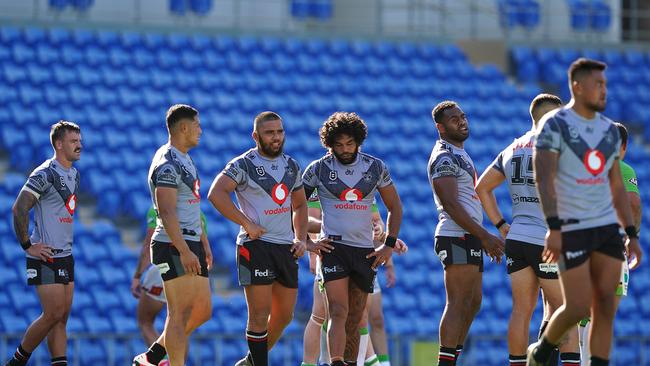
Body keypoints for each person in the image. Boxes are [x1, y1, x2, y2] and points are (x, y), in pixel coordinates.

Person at [527, 58, 643, 366]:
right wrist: (553, 227)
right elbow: (544, 176)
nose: (604, 90)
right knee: (577, 307)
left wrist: (631, 235)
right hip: (574, 227)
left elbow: (619, 187)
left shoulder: (607, 129)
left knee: (604, 306)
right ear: (577, 86)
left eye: (605, 84)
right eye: (598, 84)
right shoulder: (556, 126)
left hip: (607, 230)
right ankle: (543, 349)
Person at [475, 94, 580, 366]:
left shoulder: (512, 148)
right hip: (546, 241)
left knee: (521, 310)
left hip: (518, 238)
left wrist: (500, 225)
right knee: (566, 311)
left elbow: (482, 188)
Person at [208, 111, 316, 366]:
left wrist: (300, 238)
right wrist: (246, 223)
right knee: (259, 314)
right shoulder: (244, 164)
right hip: (256, 246)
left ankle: (251, 361)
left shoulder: (291, 165)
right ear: (256, 136)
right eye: (270, 133)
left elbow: (300, 205)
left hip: (286, 248)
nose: (276, 137)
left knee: (284, 316)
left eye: (279, 131)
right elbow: (216, 193)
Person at [302, 112, 403, 366]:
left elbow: (395, 208)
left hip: (364, 251)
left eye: (349, 144)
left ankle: (348, 362)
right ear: (330, 144)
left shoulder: (375, 167)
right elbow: (295, 208)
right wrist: (308, 241)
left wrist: (388, 245)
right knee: (337, 311)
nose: (345, 150)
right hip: (333, 247)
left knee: (357, 317)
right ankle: (335, 362)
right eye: (339, 145)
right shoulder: (318, 169)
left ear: (359, 141)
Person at [133, 104, 212, 366]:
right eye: (197, 125)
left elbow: (191, 207)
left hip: (191, 240)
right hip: (174, 243)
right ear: (183, 128)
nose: (201, 131)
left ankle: (151, 357)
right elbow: (166, 213)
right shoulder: (167, 162)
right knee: (178, 314)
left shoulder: (185, 158)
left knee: (202, 311)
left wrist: (202, 242)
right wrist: (184, 249)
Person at [427, 101, 504, 366]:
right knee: (458, 302)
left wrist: (480, 236)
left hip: (468, 234)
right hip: (454, 233)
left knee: (473, 302)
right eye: (453, 119)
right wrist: (485, 236)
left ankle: (453, 358)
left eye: (463, 116)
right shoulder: (444, 156)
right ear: (440, 127)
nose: (461, 121)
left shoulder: (461, 153)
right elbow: (449, 202)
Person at [4, 121, 82, 366]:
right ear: (59, 144)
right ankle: (17, 361)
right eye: (73, 141)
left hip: (65, 254)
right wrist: (28, 246)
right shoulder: (44, 173)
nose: (79, 145)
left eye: (80, 141)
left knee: (61, 319)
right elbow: (19, 208)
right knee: (53, 314)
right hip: (45, 254)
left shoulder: (74, 174)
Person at [577, 122, 642, 365]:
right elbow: (633, 205)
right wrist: (631, 235)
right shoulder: (622, 168)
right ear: (622, 147)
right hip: (608, 247)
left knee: (582, 311)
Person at [130, 207, 211, 352]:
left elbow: (149, 245)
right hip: (191, 269)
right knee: (181, 325)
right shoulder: (199, 213)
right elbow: (205, 249)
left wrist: (137, 276)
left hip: (164, 265)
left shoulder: (159, 209)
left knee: (145, 321)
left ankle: (159, 359)